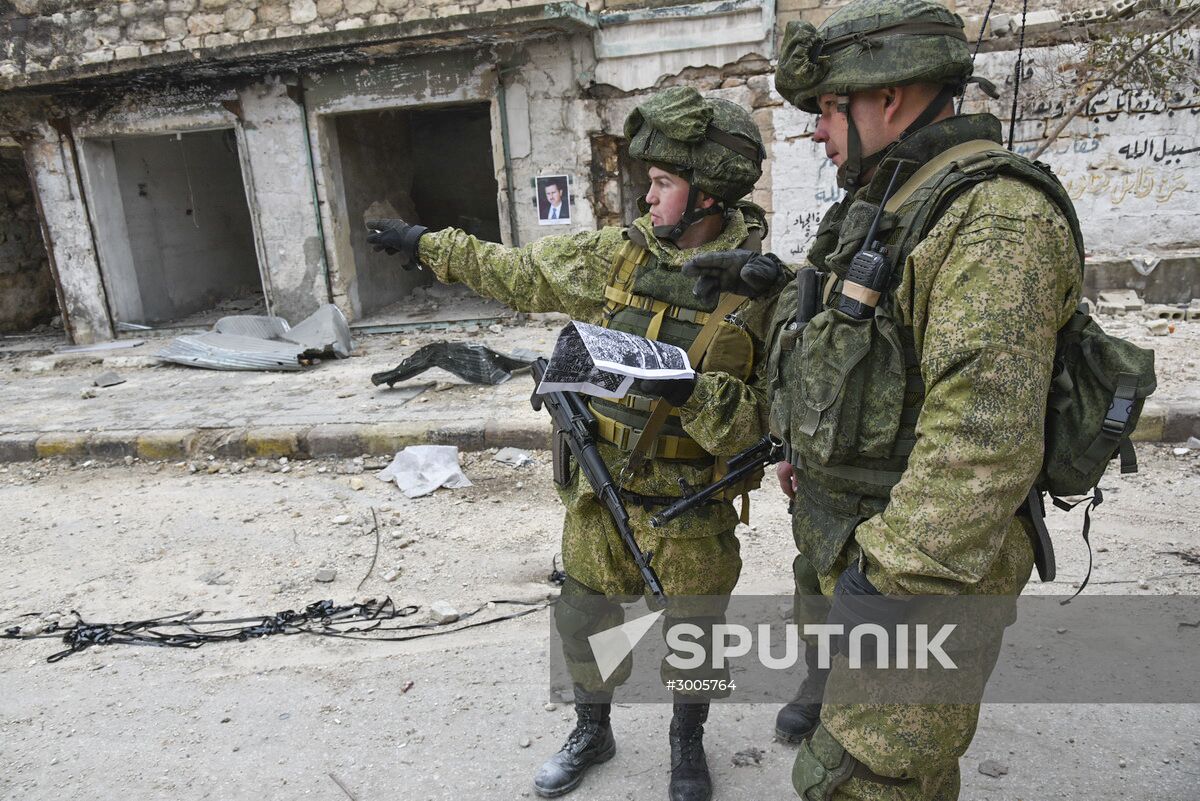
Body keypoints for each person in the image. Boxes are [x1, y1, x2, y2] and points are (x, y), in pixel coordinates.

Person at [367, 87, 785, 801]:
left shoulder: (760, 291)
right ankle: (594, 729)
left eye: (662, 183)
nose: (646, 198)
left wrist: (694, 394)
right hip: (602, 489)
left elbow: (770, 421)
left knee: (697, 631)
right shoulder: (616, 260)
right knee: (585, 617)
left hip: (693, 502)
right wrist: (422, 245)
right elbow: (520, 273)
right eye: (646, 182)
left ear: (710, 193)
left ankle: (687, 743)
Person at [718, 1, 1083, 797]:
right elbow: (856, 342)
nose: (818, 131)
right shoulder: (887, 196)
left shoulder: (994, 217)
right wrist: (800, 443)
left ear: (887, 97)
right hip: (856, 528)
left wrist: (883, 585)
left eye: (826, 108)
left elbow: (982, 443)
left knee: (864, 777)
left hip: (923, 570)